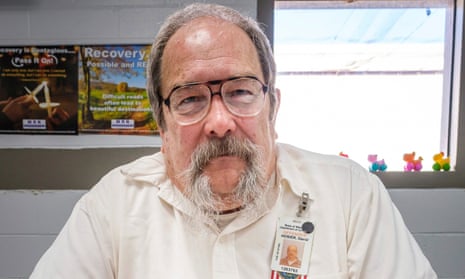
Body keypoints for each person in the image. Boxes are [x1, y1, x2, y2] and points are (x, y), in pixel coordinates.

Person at [30, 3, 438, 278]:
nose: (220, 122)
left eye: (241, 92)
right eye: (190, 99)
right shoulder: (113, 205)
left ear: (272, 109)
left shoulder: (351, 194)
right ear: (163, 127)